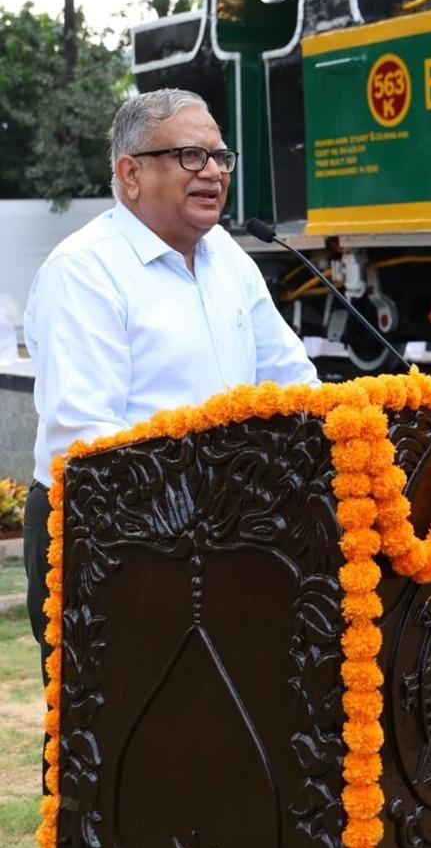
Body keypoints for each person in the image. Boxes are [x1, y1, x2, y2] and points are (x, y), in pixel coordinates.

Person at [24, 88, 319, 676]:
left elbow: (294, 385)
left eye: (219, 156)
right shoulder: (84, 272)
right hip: (106, 537)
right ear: (130, 174)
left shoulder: (229, 260)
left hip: (227, 534)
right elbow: (88, 445)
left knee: (209, 737)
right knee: (110, 747)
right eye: (190, 156)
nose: (212, 172)